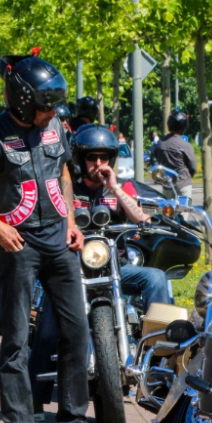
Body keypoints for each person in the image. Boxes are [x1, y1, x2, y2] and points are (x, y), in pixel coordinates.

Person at [0, 52, 116, 423]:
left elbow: (61, 171)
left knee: (78, 331)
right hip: (17, 245)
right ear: (23, 102)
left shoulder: (56, 126)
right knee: (16, 341)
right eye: (46, 107)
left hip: (59, 242)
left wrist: (71, 219)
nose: (52, 114)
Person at [71, 125, 172, 310]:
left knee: (156, 278)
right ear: (80, 159)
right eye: (91, 157)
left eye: (104, 157)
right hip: (75, 267)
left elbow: (144, 220)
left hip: (117, 266)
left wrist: (114, 188)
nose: (99, 162)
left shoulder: (123, 186)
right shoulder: (69, 188)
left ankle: (156, 337)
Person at [153, 111, 197, 201]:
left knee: (167, 213)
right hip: (183, 183)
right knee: (183, 213)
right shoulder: (186, 145)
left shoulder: (160, 143)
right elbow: (193, 167)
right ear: (184, 126)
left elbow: (157, 158)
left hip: (167, 184)